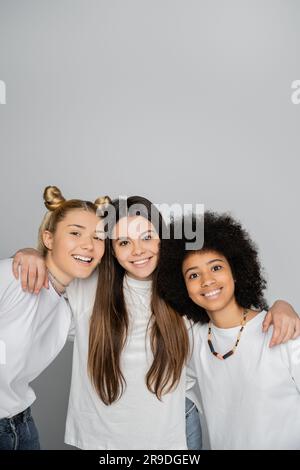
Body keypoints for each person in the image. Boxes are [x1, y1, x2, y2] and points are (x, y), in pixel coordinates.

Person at [13, 197, 300, 449]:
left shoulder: (183, 291)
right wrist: (31, 253)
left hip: (174, 435)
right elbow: (54, 270)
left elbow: (228, 308)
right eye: (124, 242)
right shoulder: (88, 286)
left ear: (163, 238)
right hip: (101, 436)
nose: (137, 250)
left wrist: (280, 307)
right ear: (111, 249)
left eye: (147, 237)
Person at [158, 212, 300, 449]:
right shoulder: (193, 339)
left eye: (216, 267)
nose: (206, 280)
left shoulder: (283, 330)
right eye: (193, 274)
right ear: (183, 287)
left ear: (235, 271)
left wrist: (284, 306)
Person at [0, 186, 105, 450]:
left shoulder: (68, 310)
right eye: (75, 233)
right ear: (48, 238)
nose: (88, 245)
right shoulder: (13, 277)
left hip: (21, 424)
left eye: (98, 237)